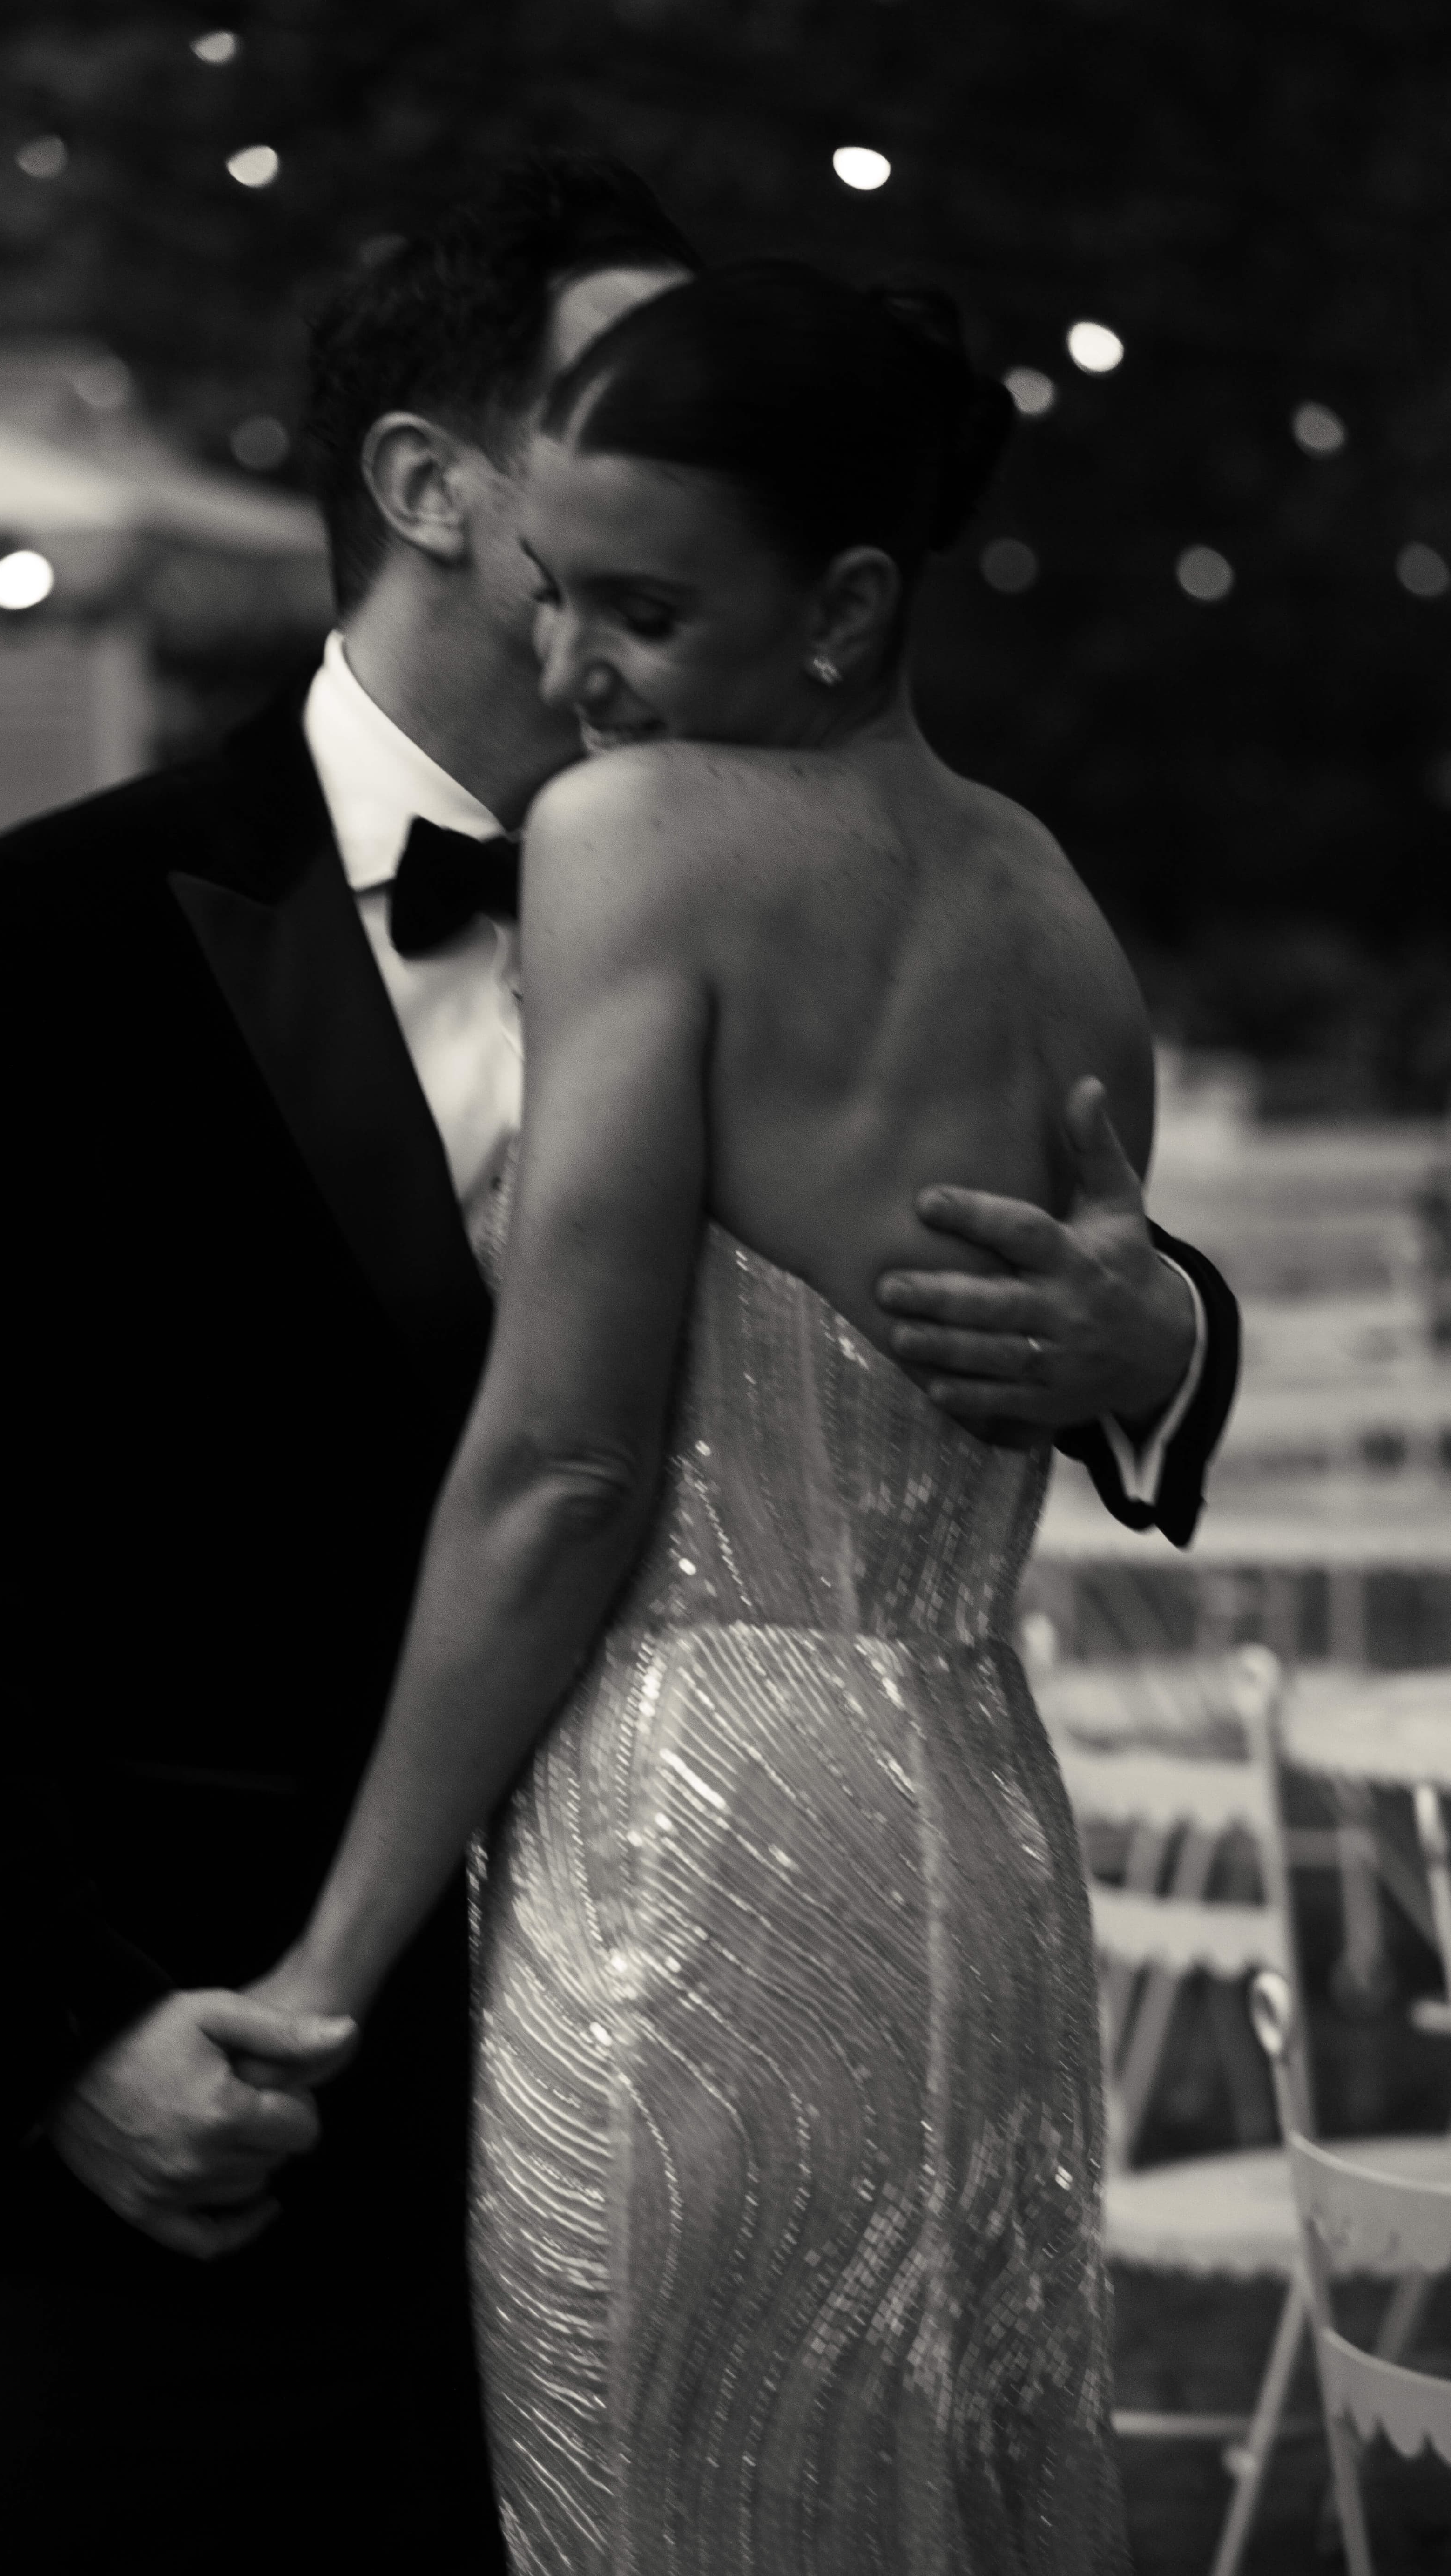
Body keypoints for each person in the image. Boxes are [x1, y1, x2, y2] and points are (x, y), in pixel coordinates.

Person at [0, 165, 1229, 2574]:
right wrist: (65, 2036)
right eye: (614, 402)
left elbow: (1010, 1245)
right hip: (203, 2139)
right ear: (437, 484)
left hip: (700, 2079)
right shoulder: (51, 943)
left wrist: (1164, 1333)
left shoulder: (802, 879)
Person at [256, 260, 1170, 2573]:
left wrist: (332, 1966)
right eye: (560, 596)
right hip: (984, 1827)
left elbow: (565, 1471)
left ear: (853, 602)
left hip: (692, 1861)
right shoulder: (1059, 901)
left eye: (645, 614)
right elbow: (1078, 1325)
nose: (574, 671)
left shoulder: (632, 840)